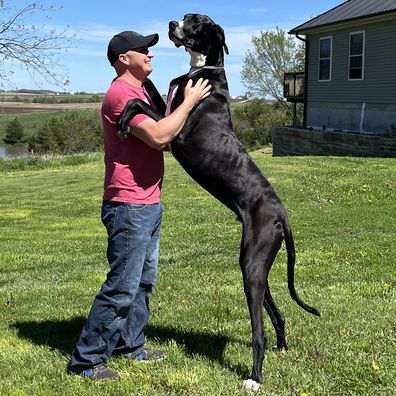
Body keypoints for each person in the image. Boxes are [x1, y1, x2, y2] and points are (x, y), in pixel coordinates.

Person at [68, 30, 211, 380]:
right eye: (143, 50)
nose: (150, 55)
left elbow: (164, 131)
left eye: (150, 50)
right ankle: (86, 360)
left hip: (148, 200)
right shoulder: (120, 95)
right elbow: (161, 135)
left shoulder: (143, 90)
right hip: (128, 204)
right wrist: (190, 101)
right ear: (123, 59)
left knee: (143, 282)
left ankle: (130, 344)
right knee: (122, 284)